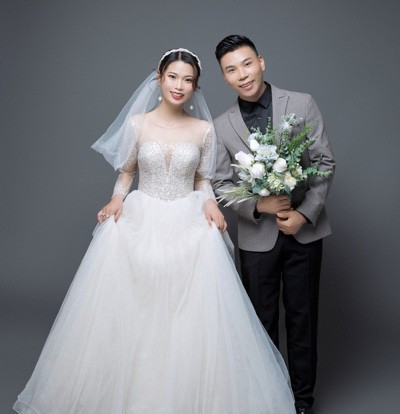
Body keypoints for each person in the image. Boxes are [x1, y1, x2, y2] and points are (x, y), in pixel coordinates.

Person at [13, 48, 295, 413]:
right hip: (143, 215)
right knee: (136, 307)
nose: (179, 85)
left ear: (196, 87)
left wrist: (210, 202)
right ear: (159, 78)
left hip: (187, 218)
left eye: (188, 80)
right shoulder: (138, 124)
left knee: (190, 310)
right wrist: (117, 199)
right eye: (173, 77)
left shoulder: (203, 130)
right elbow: (127, 171)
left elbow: (203, 179)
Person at [213, 35, 336, 414]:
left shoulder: (300, 103)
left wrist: (304, 214)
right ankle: (268, 400)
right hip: (256, 238)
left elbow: (324, 162)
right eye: (231, 70)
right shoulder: (221, 126)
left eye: (247, 64)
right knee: (260, 323)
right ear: (224, 77)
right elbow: (220, 185)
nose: (242, 75)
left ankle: (302, 402)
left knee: (302, 320)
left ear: (261, 62)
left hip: (304, 232)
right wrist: (258, 205)